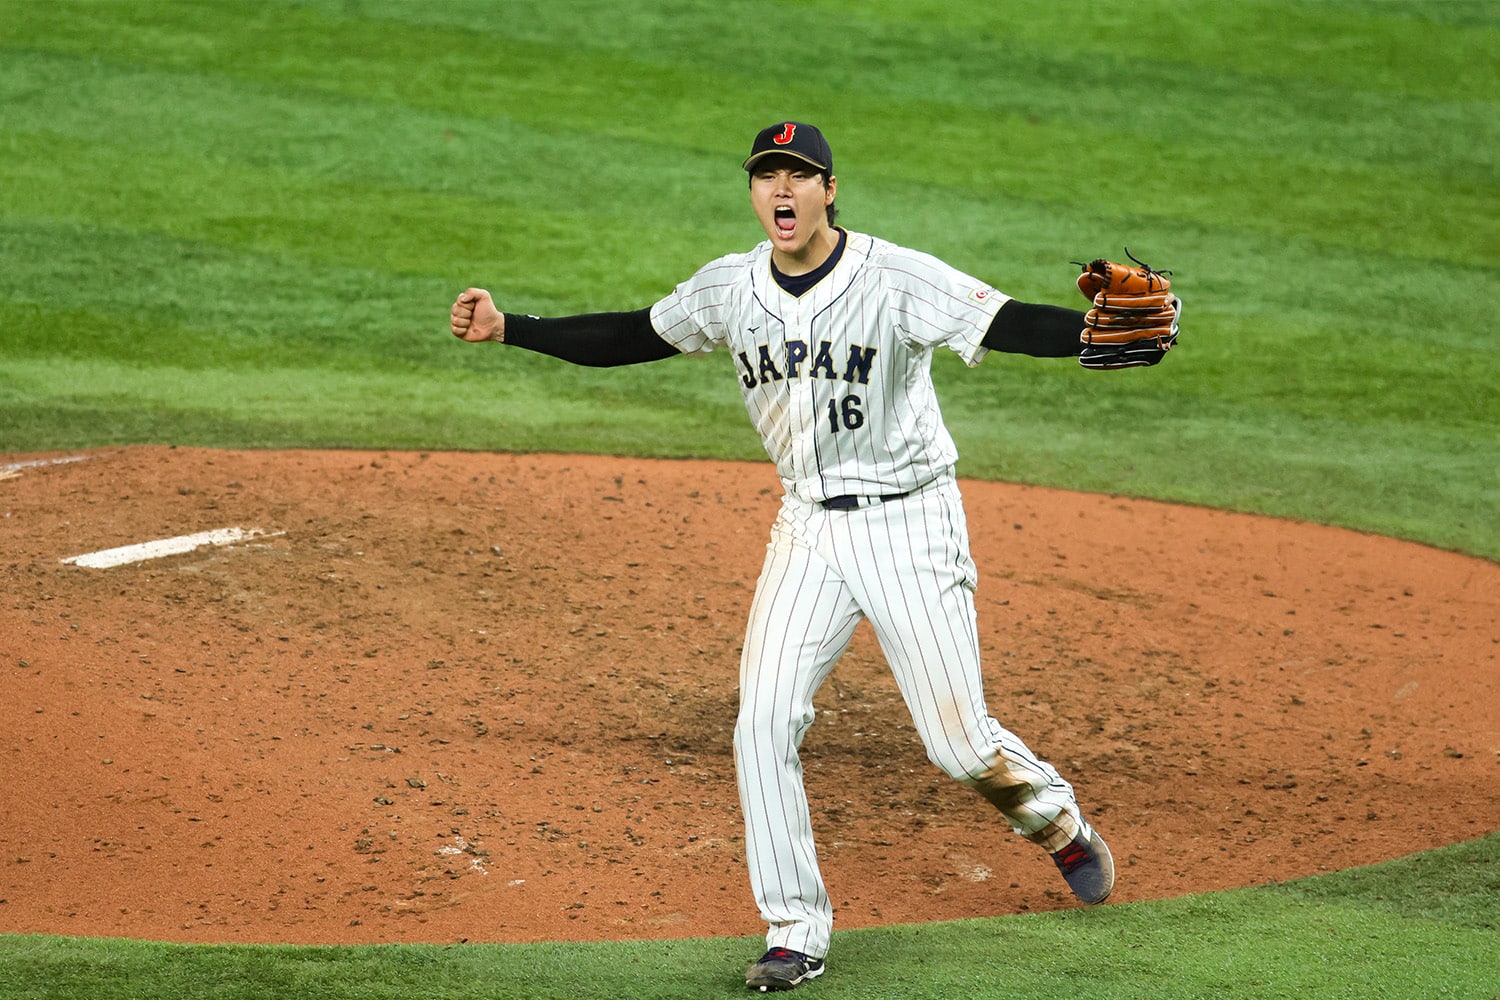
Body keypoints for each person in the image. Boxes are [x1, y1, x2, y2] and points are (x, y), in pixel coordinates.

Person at [451, 121, 1122, 993]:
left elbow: (1002, 321)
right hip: (807, 527)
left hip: (911, 524)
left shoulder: (895, 276)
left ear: (829, 190)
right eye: (767, 176)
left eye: (799, 176)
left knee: (958, 749)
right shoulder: (730, 289)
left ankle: (1055, 823)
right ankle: (794, 929)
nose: (782, 191)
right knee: (763, 720)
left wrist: (1092, 336)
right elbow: (633, 335)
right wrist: (514, 329)